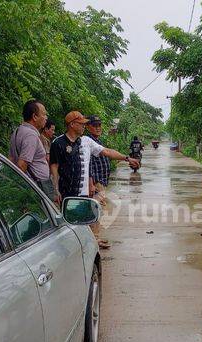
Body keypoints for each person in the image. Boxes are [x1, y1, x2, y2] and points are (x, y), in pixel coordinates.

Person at [50, 111, 140, 249]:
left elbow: (107, 152)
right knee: (68, 228)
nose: (84, 127)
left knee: (85, 224)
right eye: (81, 124)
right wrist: (55, 190)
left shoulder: (86, 142)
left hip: (84, 196)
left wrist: (127, 158)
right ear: (72, 125)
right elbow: (54, 166)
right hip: (67, 195)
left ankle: (88, 248)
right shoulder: (58, 143)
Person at [9, 100, 56, 201]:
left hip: (33, 186)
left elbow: (11, 160)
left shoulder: (17, 131)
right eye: (44, 114)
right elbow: (22, 165)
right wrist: (27, 192)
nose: (46, 117)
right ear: (35, 117)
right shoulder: (30, 135)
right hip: (37, 188)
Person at [86, 115, 109, 206]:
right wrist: (93, 184)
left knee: (99, 208)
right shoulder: (88, 141)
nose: (98, 128)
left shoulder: (97, 141)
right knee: (97, 208)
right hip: (96, 183)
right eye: (95, 125)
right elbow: (88, 165)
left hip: (102, 182)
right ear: (88, 127)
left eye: (99, 125)